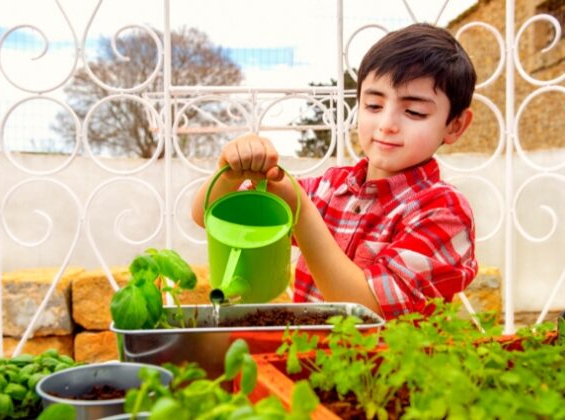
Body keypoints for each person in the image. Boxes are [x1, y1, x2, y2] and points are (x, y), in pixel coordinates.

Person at [191, 23, 478, 320]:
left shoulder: (443, 212)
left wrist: (300, 211)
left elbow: (368, 312)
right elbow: (207, 215)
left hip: (384, 366)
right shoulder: (330, 188)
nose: (387, 124)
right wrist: (230, 172)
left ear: (455, 125)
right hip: (303, 361)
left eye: (414, 112)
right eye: (374, 105)